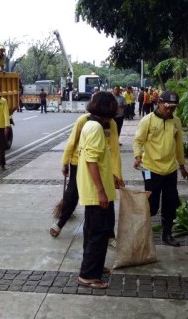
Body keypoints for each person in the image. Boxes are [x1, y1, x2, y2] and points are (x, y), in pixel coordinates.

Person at [49, 110, 124, 239]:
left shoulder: (111, 124)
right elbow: (72, 142)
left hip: (101, 164)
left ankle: (110, 234)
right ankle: (60, 223)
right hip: (79, 162)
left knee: (108, 197)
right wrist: (65, 162)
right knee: (72, 193)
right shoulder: (83, 120)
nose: (109, 120)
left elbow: (115, 149)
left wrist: (117, 174)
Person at [133, 90, 188, 246]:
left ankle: (167, 234)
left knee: (170, 201)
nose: (170, 110)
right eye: (167, 107)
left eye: (173, 108)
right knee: (151, 204)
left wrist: (182, 166)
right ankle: (143, 231)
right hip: (150, 169)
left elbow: (179, 146)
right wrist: (138, 156)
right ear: (158, 103)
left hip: (170, 170)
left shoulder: (176, 121)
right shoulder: (147, 120)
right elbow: (138, 140)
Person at [77, 92, 121, 290]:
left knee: (92, 231)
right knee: (99, 232)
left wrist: (111, 177)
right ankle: (88, 275)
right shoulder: (95, 128)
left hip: (96, 187)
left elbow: (96, 159)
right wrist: (101, 192)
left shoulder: (91, 124)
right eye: (113, 106)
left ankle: (93, 266)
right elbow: (91, 161)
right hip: (96, 192)